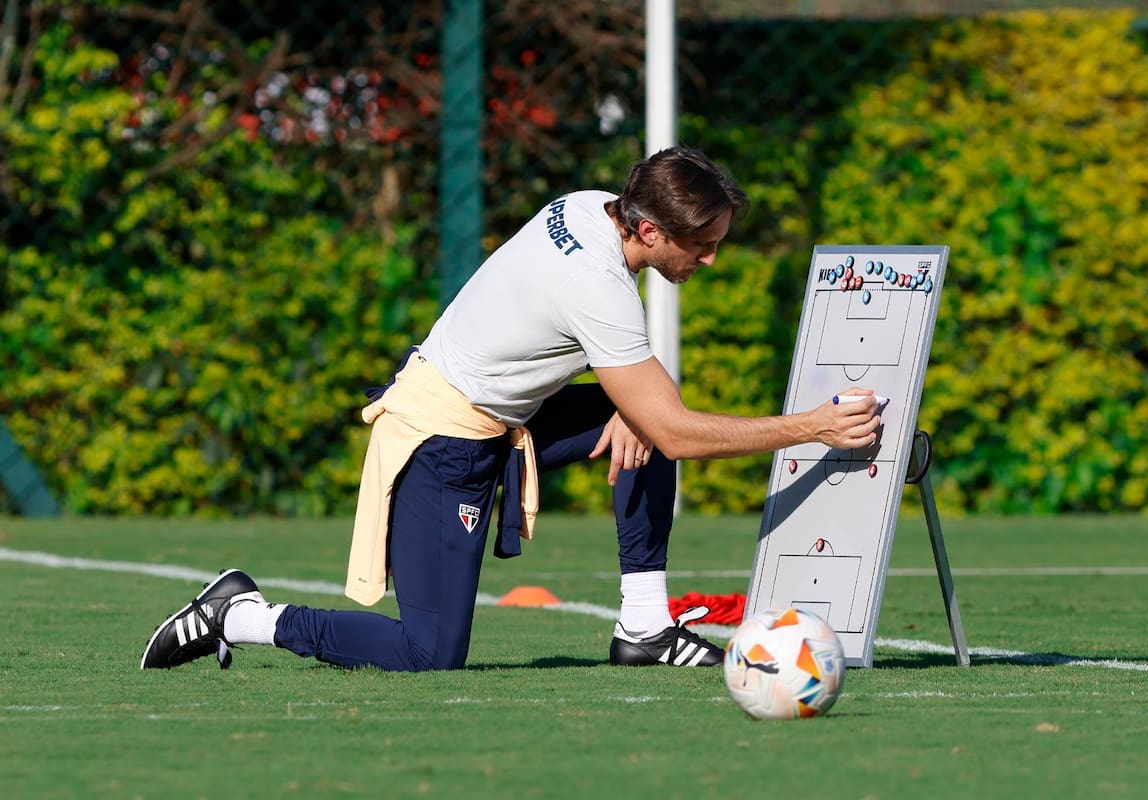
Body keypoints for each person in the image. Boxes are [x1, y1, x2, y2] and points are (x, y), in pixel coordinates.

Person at [139, 146, 882, 673]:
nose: (711, 259)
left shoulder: (594, 207)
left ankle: (645, 629)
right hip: (444, 438)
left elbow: (653, 416)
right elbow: (678, 436)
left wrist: (639, 412)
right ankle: (242, 615)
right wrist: (811, 426)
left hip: (507, 415)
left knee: (646, 419)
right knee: (428, 653)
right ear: (650, 231)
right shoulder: (597, 283)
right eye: (703, 245)